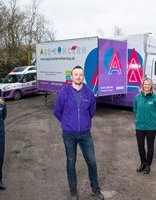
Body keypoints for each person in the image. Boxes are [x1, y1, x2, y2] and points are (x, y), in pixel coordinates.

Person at [54, 66, 104, 200]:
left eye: (80, 75)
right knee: (71, 162)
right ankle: (73, 190)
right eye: (76, 74)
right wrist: (67, 123)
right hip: (69, 134)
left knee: (92, 161)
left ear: (83, 76)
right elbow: (57, 112)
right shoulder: (63, 92)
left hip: (85, 133)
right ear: (71, 76)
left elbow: (92, 111)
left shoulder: (89, 93)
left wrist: (84, 122)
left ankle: (95, 189)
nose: (78, 77)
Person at [133, 77, 156, 174]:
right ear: (142, 85)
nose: (146, 86)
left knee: (150, 146)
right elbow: (135, 110)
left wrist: (155, 121)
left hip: (152, 127)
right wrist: (139, 119)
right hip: (140, 126)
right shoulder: (137, 97)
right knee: (140, 145)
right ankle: (143, 163)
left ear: (151, 86)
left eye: (148, 84)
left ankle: (148, 165)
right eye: (145, 84)